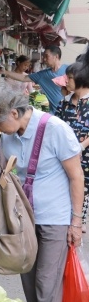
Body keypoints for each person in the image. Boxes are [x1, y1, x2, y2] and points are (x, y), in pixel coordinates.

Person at [0, 86, 84, 302]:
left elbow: (77, 176)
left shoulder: (55, 129)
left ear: (14, 113)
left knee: (47, 281)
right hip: (23, 218)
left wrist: (76, 221)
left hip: (54, 217)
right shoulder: (8, 136)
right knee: (28, 277)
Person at [56, 62, 89, 228]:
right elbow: (56, 126)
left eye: (69, 78)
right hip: (66, 154)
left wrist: (81, 147)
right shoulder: (65, 102)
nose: (66, 81)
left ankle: (78, 220)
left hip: (85, 156)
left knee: (83, 186)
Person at [2, 46, 67, 113]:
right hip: (52, 113)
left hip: (68, 110)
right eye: (43, 56)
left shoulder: (68, 70)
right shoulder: (43, 74)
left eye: (46, 56)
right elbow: (24, 78)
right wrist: (4, 72)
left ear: (56, 56)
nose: (44, 59)